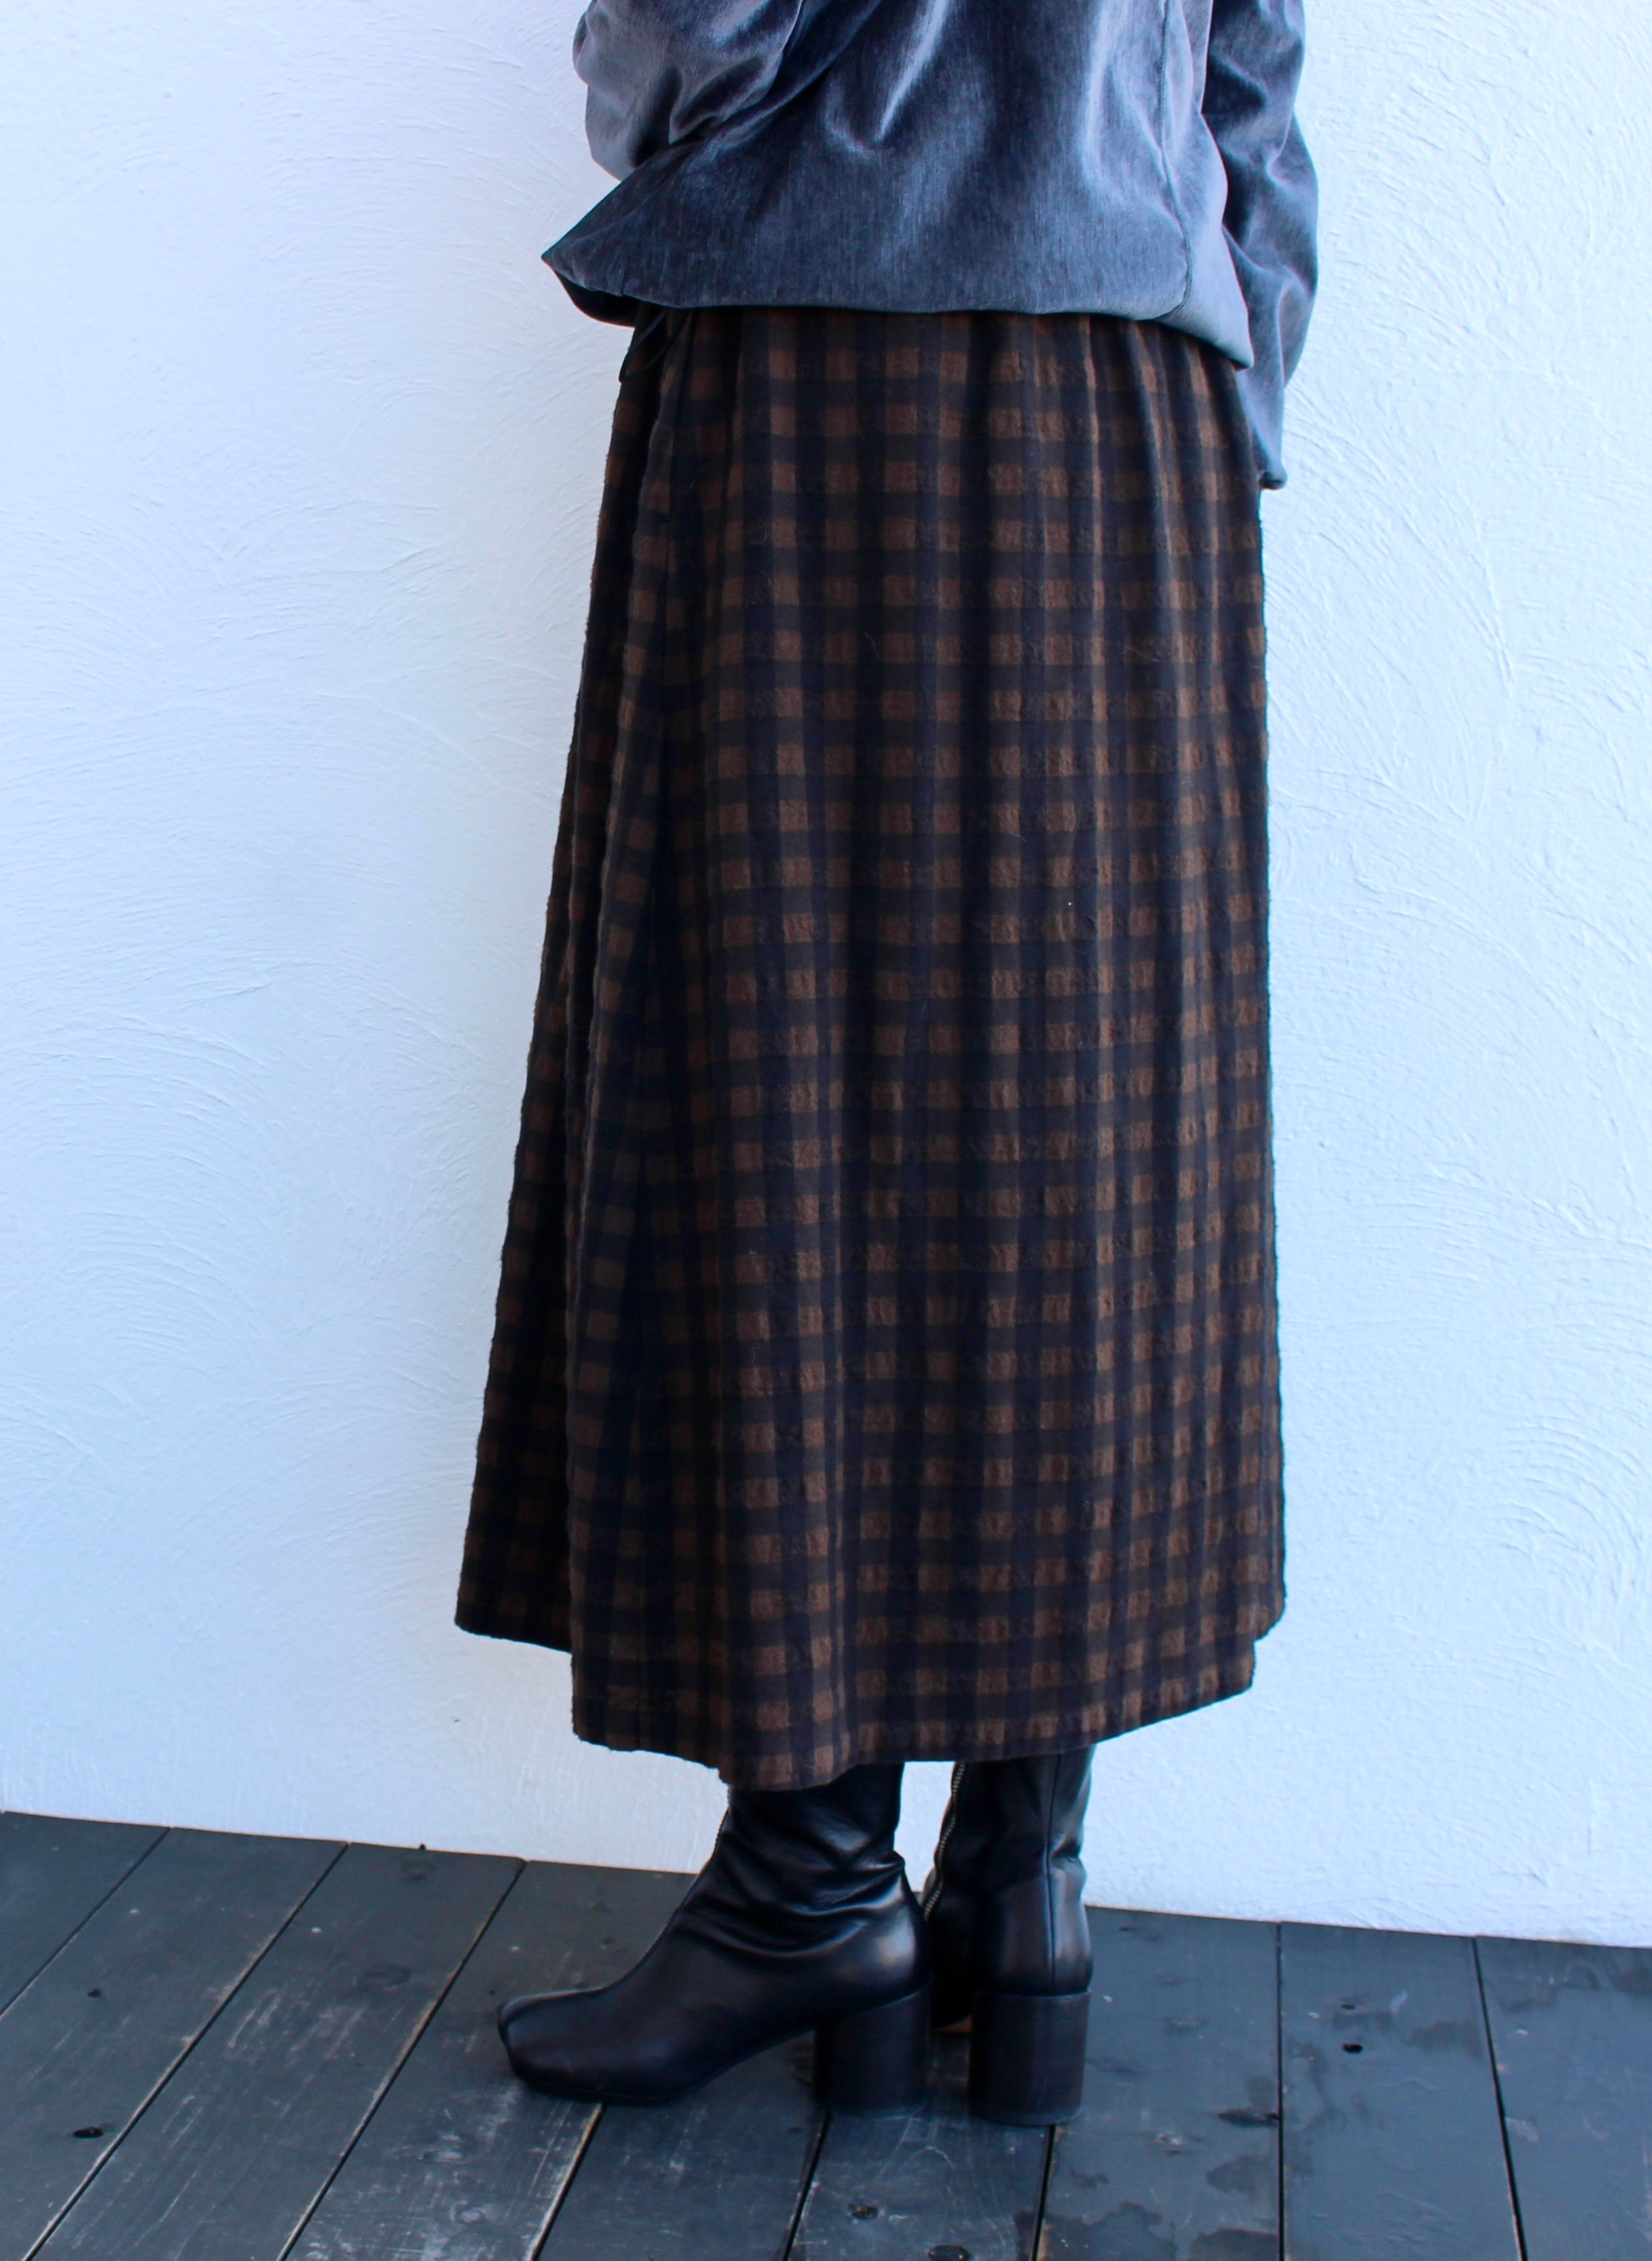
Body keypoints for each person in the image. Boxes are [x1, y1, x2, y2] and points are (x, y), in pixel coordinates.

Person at [456, 0, 1316, 2125]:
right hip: (1141, 409)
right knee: (1079, 1127)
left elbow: (693, 38)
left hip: (830, 373)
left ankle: (807, 1885)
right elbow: (1253, 93)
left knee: (784, 1090)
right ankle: (1017, 1885)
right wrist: (1219, 348)